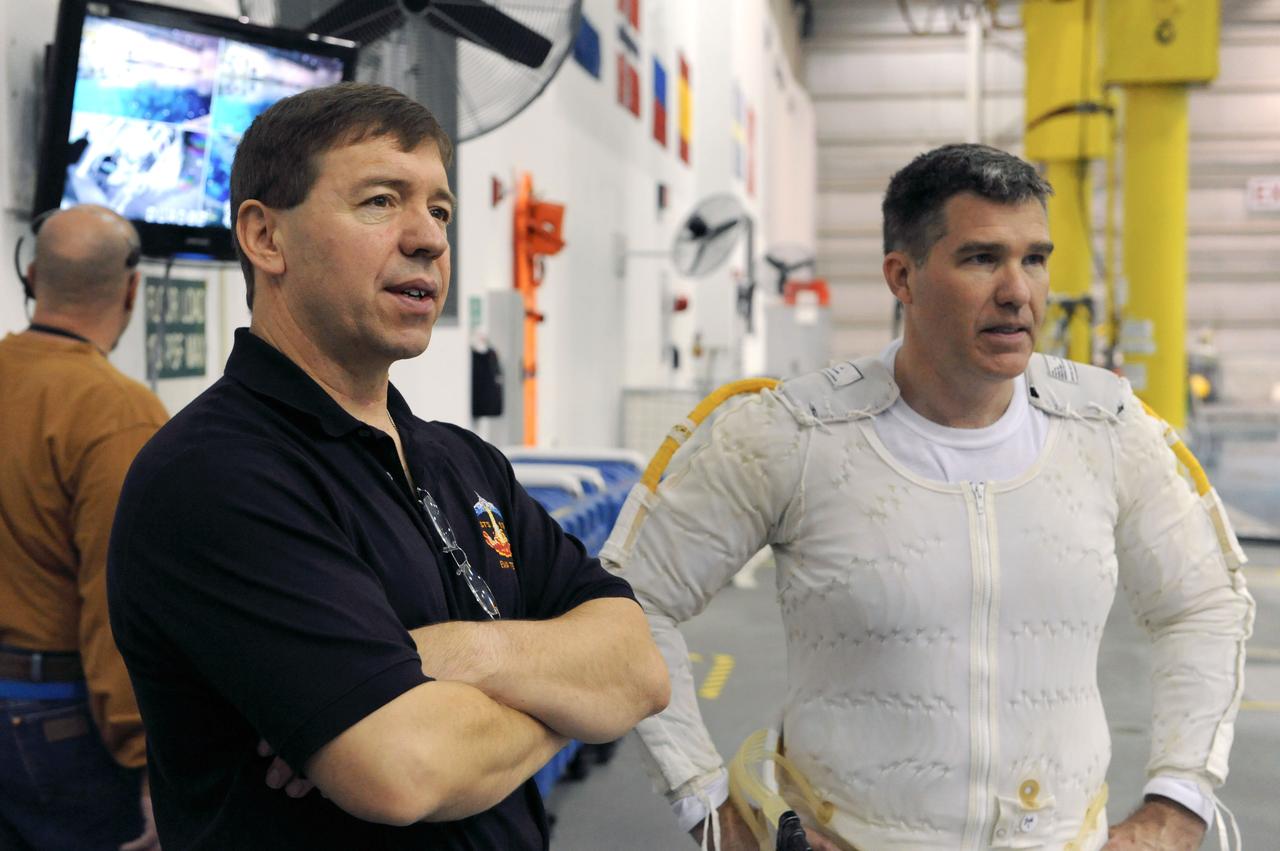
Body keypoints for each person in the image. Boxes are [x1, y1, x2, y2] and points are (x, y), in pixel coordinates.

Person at [602, 144, 1255, 851]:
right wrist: (706, 804)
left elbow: (1205, 603)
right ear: (902, 277)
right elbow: (629, 600)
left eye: (1035, 258)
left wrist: (1180, 801)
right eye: (981, 259)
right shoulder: (793, 436)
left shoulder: (1107, 430)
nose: (1019, 291)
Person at [106, 81, 669, 850]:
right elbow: (407, 766)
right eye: (380, 201)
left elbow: (640, 667)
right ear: (265, 238)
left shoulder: (463, 462)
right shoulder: (216, 477)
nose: (429, 238)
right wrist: (563, 699)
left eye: (440, 210)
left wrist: (452, 653)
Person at [0, 205, 165, 850]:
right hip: (62, 726)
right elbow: (118, 603)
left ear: (34, 277)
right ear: (132, 288)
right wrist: (149, 762)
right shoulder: (119, 412)